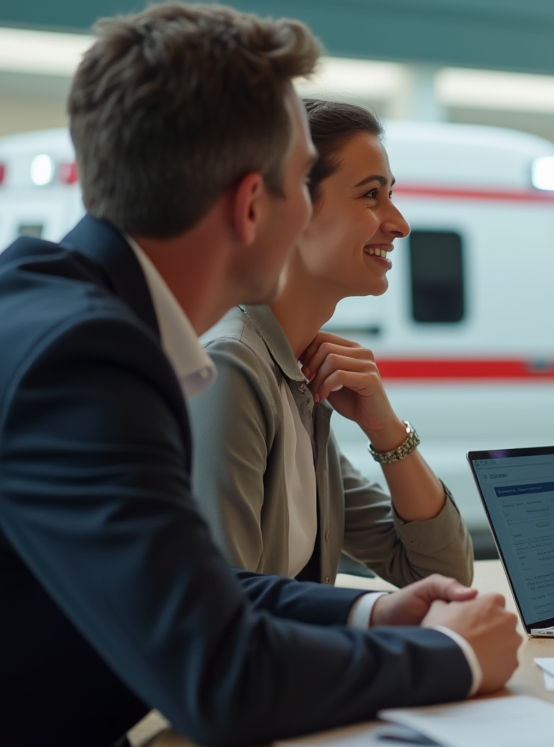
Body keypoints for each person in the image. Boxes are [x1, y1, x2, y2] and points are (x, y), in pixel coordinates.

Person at [0, 6, 520, 747]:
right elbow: (219, 676)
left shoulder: (44, 295)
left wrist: (373, 612)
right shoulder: (86, 362)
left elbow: (194, 587)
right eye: (298, 185)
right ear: (252, 205)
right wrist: (455, 662)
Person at [189, 99, 472, 587]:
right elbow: (224, 608)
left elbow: (441, 572)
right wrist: (371, 621)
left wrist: (388, 433)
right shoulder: (233, 367)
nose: (399, 223)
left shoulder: (295, 376)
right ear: (290, 210)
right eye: (370, 195)